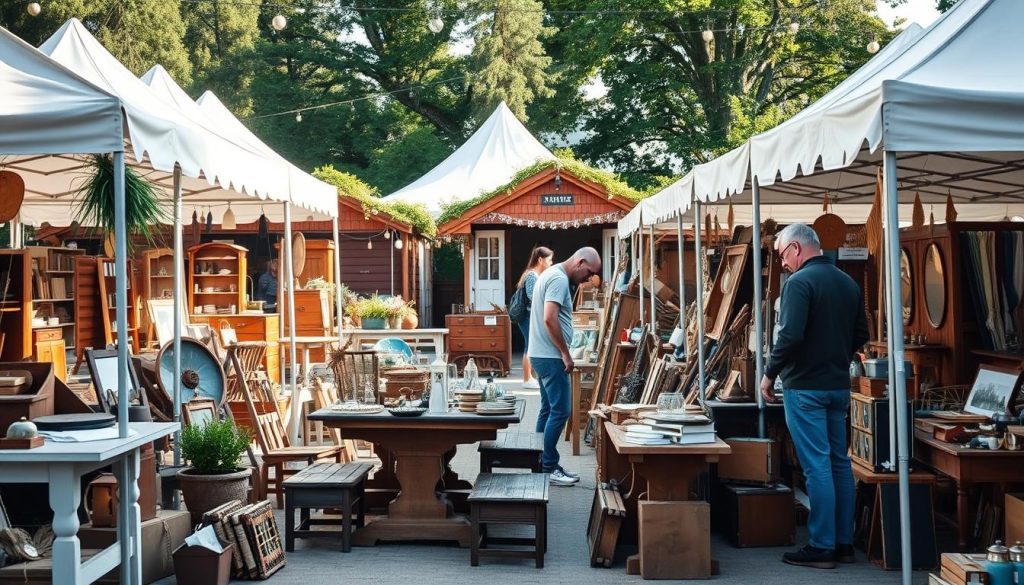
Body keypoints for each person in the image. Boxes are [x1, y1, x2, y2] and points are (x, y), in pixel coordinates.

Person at [759, 224, 868, 569]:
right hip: (837, 387)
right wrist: (836, 356)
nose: (783, 263)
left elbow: (789, 336)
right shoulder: (848, 282)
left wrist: (769, 373)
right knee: (839, 463)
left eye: (781, 255)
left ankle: (822, 546)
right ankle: (843, 542)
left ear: (795, 248)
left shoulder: (799, 283)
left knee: (817, 465)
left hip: (804, 387)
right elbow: (861, 333)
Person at [528, 247, 602, 486]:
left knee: (547, 410)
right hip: (551, 357)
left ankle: (540, 463)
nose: (589, 279)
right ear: (580, 262)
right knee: (560, 411)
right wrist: (565, 354)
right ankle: (548, 467)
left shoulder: (549, 274)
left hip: (540, 354)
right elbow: (549, 318)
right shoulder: (559, 279)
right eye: (589, 272)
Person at [516, 246, 554, 389]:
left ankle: (530, 377)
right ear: (540, 260)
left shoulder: (532, 274)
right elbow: (532, 296)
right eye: (549, 260)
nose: (551, 263)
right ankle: (527, 379)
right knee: (529, 345)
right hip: (527, 316)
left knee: (530, 345)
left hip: (529, 315)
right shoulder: (532, 275)